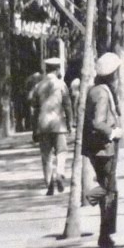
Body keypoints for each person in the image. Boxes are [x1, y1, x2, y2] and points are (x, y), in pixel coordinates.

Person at [82, 52, 123, 248]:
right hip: (104, 149)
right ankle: (104, 235)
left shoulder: (95, 90)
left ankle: (106, 233)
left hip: (100, 149)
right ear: (112, 75)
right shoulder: (102, 93)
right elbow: (98, 122)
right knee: (109, 191)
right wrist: (112, 132)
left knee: (110, 189)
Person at [31, 57, 74, 195]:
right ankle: (59, 173)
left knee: (46, 155)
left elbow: (34, 109)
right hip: (58, 124)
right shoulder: (61, 85)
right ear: (56, 69)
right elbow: (67, 105)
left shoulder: (38, 86)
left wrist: (34, 129)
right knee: (61, 151)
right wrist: (70, 124)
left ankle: (49, 182)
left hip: (42, 125)